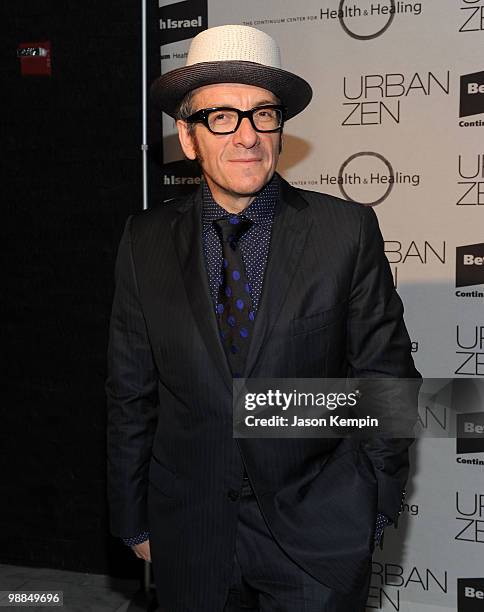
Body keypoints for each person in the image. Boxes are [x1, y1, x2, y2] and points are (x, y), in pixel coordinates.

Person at [106, 24, 419, 612]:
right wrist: (133, 517)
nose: (247, 136)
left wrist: (371, 506)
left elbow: (388, 382)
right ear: (189, 137)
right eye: (222, 117)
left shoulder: (343, 232)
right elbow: (131, 391)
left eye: (263, 115)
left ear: (280, 126)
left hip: (315, 537)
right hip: (189, 533)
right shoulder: (142, 240)